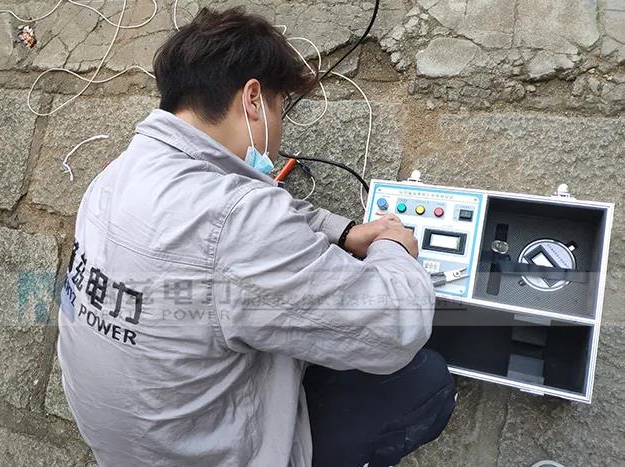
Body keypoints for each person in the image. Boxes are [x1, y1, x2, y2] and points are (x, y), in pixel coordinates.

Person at [57, 6, 456, 467]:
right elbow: (396, 328)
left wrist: (344, 232)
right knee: (425, 380)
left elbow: (239, 221)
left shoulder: (114, 175)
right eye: (280, 106)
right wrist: (392, 245)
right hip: (206, 454)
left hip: (133, 445)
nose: (279, 128)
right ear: (252, 99)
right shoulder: (238, 219)